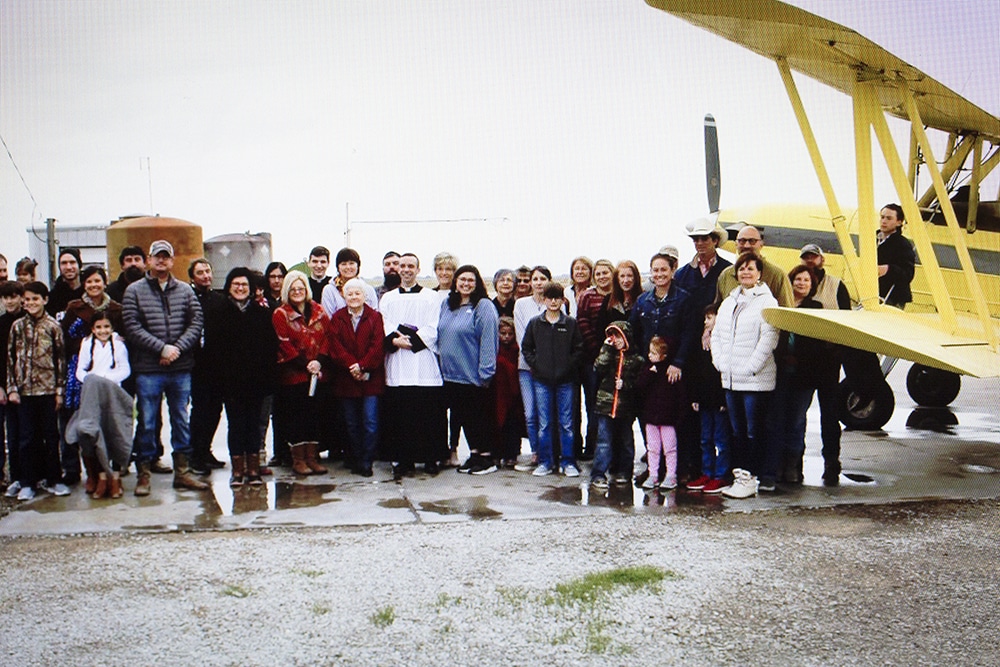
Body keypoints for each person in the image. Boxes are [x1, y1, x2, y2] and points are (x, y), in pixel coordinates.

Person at [122, 239, 208, 496]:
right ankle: (144, 474)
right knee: (147, 421)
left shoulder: (185, 290)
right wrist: (161, 349)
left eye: (166, 257)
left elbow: (196, 323)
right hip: (148, 369)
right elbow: (132, 326)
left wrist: (176, 349)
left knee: (181, 419)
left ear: (172, 261)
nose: (161, 261)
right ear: (149, 260)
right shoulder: (134, 291)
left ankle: (182, 472)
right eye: (157, 256)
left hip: (180, 368)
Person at [710, 252, 780, 499]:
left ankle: (752, 476)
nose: (746, 273)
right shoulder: (729, 301)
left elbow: (769, 338)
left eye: (751, 268)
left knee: (754, 430)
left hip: (754, 380)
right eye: (741, 269)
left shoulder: (767, 302)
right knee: (737, 431)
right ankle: (741, 476)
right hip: (730, 378)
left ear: (759, 273)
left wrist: (751, 366)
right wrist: (719, 362)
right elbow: (717, 334)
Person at [379, 253, 447, 478]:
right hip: (398, 363)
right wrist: (394, 340)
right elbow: (384, 322)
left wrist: (414, 342)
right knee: (401, 416)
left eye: (411, 266)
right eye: (402, 266)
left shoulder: (431, 297)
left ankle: (430, 458)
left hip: (423, 362)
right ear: (397, 270)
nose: (406, 269)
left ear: (418, 270)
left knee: (427, 414)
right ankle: (403, 460)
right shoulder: (388, 298)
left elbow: (433, 325)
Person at [59, 265, 124, 484]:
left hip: (111, 371)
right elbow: (64, 337)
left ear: (104, 282)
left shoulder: (115, 308)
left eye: (97, 281)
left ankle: (110, 471)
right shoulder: (75, 307)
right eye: (89, 282)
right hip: (82, 370)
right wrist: (86, 345)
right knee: (82, 422)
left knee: (108, 422)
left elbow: (123, 336)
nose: (93, 285)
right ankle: (82, 471)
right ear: (84, 285)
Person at [213, 268, 278, 487]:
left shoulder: (261, 314)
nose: (240, 288)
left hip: (256, 382)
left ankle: (253, 469)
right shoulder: (219, 313)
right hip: (230, 383)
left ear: (251, 289)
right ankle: (238, 471)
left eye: (244, 285)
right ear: (229, 287)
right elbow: (214, 351)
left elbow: (270, 348)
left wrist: (267, 378)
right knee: (236, 425)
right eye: (236, 284)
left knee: (254, 426)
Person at [6, 281, 67, 500]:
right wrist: (12, 388)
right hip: (24, 392)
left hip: (48, 390)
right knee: (26, 438)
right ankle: (28, 482)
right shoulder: (17, 327)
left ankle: (54, 479)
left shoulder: (52, 326)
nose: (31, 303)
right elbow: (10, 359)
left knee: (51, 436)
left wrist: (60, 390)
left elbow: (61, 360)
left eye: (35, 299)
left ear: (45, 300)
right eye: (27, 299)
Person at [439, 265, 499, 475]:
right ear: (455, 282)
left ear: (477, 283)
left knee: (478, 418)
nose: (465, 284)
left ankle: (486, 458)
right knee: (464, 418)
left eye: (470, 280)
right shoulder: (448, 305)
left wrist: (486, 372)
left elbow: (489, 340)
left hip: (473, 375)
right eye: (462, 279)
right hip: (450, 375)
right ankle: (474, 454)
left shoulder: (483, 306)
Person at [520, 280, 583, 478]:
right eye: (550, 298)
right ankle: (545, 462)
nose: (554, 302)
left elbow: (579, 349)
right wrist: (537, 365)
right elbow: (527, 348)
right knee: (544, 423)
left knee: (566, 423)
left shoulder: (570, 323)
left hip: (566, 381)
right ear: (544, 300)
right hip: (541, 381)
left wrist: (568, 367)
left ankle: (568, 461)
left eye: (557, 298)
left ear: (563, 300)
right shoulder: (535, 323)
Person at [272, 270, 332, 476]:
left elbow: (327, 338)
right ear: (287, 291)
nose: (297, 292)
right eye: (293, 289)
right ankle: (298, 460)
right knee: (296, 418)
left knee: (314, 416)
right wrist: (306, 364)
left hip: (316, 374)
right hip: (294, 375)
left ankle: (312, 458)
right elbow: (284, 344)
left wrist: (318, 362)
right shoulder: (281, 314)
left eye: (301, 288)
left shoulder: (319, 311)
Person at [773, 266, 828, 487]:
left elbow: (818, 345)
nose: (801, 283)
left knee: (796, 422)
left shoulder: (816, 308)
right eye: (798, 279)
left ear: (812, 285)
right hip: (779, 374)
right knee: (777, 421)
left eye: (806, 280)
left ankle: (793, 467)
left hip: (804, 377)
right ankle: (775, 465)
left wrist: (799, 358)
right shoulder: (780, 306)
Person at [67, 311, 131, 499]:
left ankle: (116, 477)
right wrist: (93, 380)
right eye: (99, 327)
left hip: (112, 393)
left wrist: (106, 381)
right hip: (92, 395)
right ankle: (101, 476)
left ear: (111, 328)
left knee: (114, 432)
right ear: (93, 329)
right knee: (91, 431)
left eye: (106, 327)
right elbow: (81, 369)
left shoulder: (118, 344)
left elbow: (124, 368)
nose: (103, 331)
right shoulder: (87, 344)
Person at [798, 244, 848, 485]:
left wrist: (840, 351)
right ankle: (794, 463)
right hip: (802, 361)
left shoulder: (837, 285)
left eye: (813, 257)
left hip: (829, 359)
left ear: (822, 259)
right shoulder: (796, 283)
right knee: (797, 415)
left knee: (830, 415)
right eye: (806, 257)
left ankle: (831, 462)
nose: (810, 260)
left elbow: (849, 320)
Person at [328, 278, 385, 477]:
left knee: (370, 422)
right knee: (351, 423)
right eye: (349, 293)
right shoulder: (337, 318)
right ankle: (356, 457)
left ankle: (367, 461)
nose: (353, 297)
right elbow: (335, 347)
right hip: (346, 379)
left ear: (365, 296)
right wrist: (352, 366)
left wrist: (362, 365)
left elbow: (377, 347)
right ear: (344, 296)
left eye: (357, 293)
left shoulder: (375, 317)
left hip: (371, 379)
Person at [589, 321, 642, 489]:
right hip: (605, 405)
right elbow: (598, 368)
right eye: (613, 336)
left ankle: (625, 471)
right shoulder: (608, 355)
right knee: (604, 441)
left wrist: (625, 384)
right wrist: (606, 349)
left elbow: (639, 383)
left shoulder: (636, 359)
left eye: (619, 336)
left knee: (626, 441)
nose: (616, 340)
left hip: (625, 407)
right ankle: (598, 473)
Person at [188, 257, 229, 475]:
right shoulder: (188, 298)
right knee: (200, 410)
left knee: (215, 410)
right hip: (197, 365)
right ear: (192, 277)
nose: (205, 276)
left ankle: (206, 450)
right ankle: (195, 454)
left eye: (207, 271)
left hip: (217, 365)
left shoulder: (219, 299)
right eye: (200, 272)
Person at [685, 304, 731, 494]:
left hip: (718, 400)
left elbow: (723, 373)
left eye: (710, 318)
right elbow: (696, 371)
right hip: (704, 399)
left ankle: (720, 475)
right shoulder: (701, 343)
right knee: (705, 439)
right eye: (705, 318)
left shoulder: (725, 343)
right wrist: (695, 396)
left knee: (720, 439)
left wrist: (724, 400)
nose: (706, 322)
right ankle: (707, 472)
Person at [575, 259, 617, 461]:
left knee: (613, 405)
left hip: (616, 359)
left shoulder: (616, 295)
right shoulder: (586, 296)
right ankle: (591, 446)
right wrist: (597, 352)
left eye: (605, 273)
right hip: (591, 359)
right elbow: (582, 323)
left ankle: (612, 447)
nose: (602, 277)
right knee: (593, 403)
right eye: (598, 274)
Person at [512, 265, 551, 471]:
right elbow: (521, 335)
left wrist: (544, 362)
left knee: (546, 412)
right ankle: (535, 452)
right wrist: (533, 360)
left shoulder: (554, 303)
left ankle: (547, 453)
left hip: (548, 368)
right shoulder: (521, 304)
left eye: (542, 279)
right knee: (530, 412)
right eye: (534, 279)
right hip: (526, 366)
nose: (538, 283)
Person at [636, 336, 688, 490]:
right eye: (649, 352)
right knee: (652, 448)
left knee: (670, 448)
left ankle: (671, 475)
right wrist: (649, 374)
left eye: (654, 353)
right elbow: (639, 387)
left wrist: (679, 416)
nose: (650, 355)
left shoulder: (671, 373)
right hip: (651, 417)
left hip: (668, 418)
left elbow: (680, 396)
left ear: (663, 356)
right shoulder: (647, 370)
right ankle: (653, 474)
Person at [714, 224, 794, 307]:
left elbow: (786, 313)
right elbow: (717, 309)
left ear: (761, 244)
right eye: (742, 241)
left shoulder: (777, 276)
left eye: (752, 241)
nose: (747, 245)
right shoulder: (726, 275)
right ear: (736, 244)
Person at [1, 281, 26, 496]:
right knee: (13, 433)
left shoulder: (27, 321)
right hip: (5, 388)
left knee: (31, 434)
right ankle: (15, 476)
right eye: (5, 297)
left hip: (28, 386)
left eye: (13, 296)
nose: (9, 301)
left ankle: (34, 475)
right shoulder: (1, 323)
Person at [491, 316, 524, 468]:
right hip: (498, 391)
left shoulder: (516, 349)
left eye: (510, 334)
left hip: (513, 392)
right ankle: (497, 453)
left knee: (513, 424)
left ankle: (512, 454)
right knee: (497, 424)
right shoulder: (494, 348)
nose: (506, 337)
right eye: (503, 333)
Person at [877, 203, 916, 308]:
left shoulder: (902, 244)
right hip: (872, 293)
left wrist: (888, 269)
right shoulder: (872, 238)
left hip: (892, 297)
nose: (884, 221)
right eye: (882, 217)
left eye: (889, 218)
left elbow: (908, 273)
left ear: (899, 222)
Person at [321, 247, 379, 315]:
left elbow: (374, 316)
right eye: (343, 264)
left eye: (351, 263)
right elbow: (329, 317)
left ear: (358, 266)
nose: (348, 267)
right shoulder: (330, 290)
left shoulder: (368, 290)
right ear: (338, 267)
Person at [46, 248, 84, 318]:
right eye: (64, 263)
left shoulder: (89, 293)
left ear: (79, 265)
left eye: (72, 262)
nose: (68, 267)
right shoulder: (52, 298)